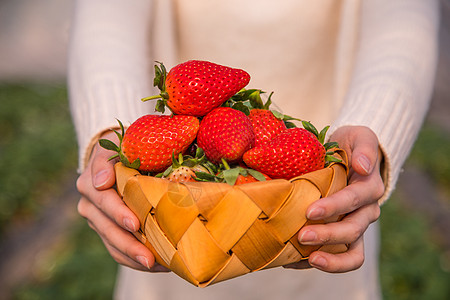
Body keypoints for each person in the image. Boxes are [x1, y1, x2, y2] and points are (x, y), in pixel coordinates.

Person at [69, 0, 440, 299]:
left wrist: (371, 125)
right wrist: (112, 131)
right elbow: (107, 16)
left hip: (321, 200)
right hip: (172, 218)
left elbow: (403, 18)